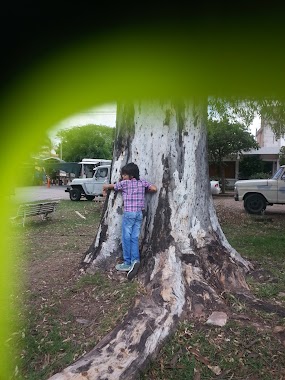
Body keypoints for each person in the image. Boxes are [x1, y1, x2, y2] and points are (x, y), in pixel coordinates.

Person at [103, 162, 157, 280]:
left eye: (125, 175)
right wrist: (144, 191)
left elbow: (112, 186)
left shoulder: (125, 184)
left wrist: (104, 187)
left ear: (131, 175)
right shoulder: (142, 182)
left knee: (126, 237)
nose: (123, 177)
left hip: (129, 214)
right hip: (139, 214)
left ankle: (127, 262)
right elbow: (154, 188)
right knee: (134, 237)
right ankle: (135, 260)